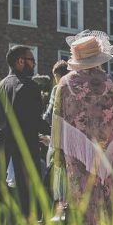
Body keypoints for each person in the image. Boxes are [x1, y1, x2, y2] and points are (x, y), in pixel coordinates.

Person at [50, 31, 113, 225]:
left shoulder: (64, 84)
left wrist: (57, 153)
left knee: (82, 194)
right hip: (106, 148)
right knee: (107, 192)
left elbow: (57, 121)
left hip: (76, 151)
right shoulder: (110, 83)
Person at [0, 45, 50, 225]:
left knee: (3, 197)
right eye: (31, 60)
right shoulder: (28, 86)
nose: (34, 64)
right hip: (24, 149)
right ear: (20, 62)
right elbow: (34, 120)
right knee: (26, 198)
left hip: (3, 150)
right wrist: (56, 130)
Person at [44, 60, 71, 215]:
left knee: (58, 178)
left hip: (60, 139)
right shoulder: (77, 87)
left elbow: (50, 115)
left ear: (57, 75)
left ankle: (59, 214)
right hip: (77, 141)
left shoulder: (58, 88)